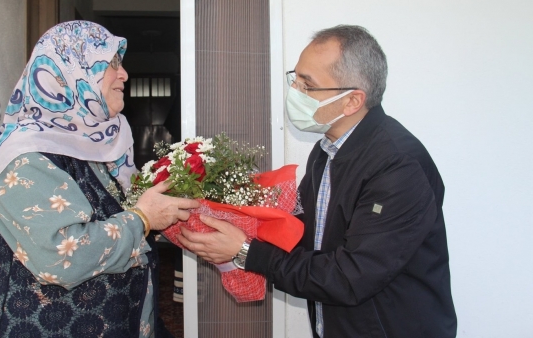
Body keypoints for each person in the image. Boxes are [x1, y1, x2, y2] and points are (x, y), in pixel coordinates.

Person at [178, 25, 457, 337]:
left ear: (352, 101)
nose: (295, 92)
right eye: (295, 79)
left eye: (308, 85)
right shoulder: (327, 150)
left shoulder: (397, 166)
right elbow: (304, 236)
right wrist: (229, 219)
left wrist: (247, 251)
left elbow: (350, 277)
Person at [0, 21, 199, 337]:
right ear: (71, 72)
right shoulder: (25, 158)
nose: (124, 74)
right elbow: (62, 256)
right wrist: (143, 219)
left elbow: (117, 215)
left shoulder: (95, 146)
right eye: (111, 63)